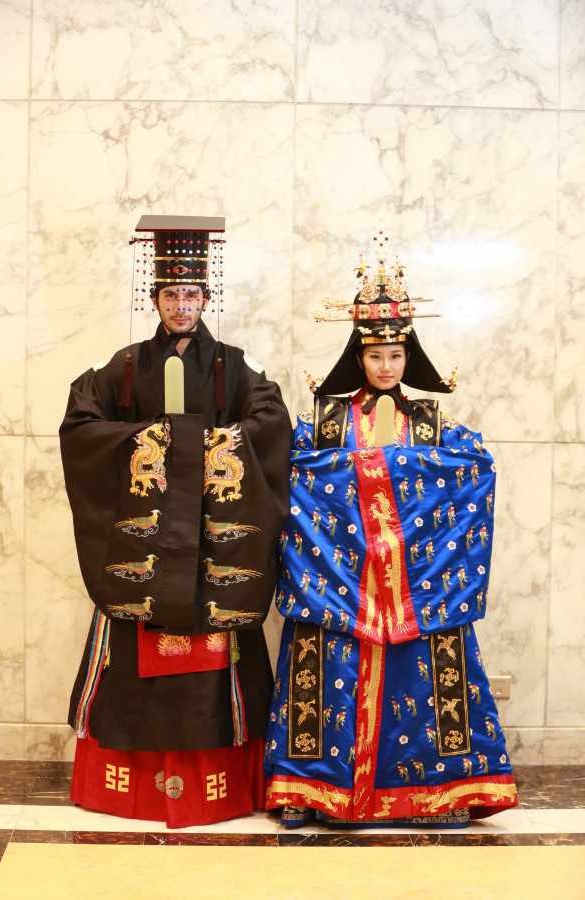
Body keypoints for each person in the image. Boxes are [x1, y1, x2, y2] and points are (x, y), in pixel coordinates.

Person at [263, 243, 518, 827]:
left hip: (418, 584)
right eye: (375, 355)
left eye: (396, 355)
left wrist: (381, 475)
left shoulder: (433, 424)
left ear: (409, 356)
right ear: (358, 357)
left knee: (426, 681)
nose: (385, 366)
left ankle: (440, 792)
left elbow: (472, 472)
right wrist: (393, 476)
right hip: (338, 579)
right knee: (326, 676)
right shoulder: (323, 424)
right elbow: (293, 478)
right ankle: (311, 791)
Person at [60, 215, 291, 827]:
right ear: (154, 297)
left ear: (206, 297)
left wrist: (209, 447)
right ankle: (127, 790)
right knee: (134, 652)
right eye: (171, 294)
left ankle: (221, 784)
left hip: (214, 554)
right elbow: (82, 424)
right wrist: (148, 443)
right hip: (147, 549)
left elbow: (270, 423)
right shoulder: (125, 365)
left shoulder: (235, 366)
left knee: (214, 655)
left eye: (191, 294)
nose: (182, 305)